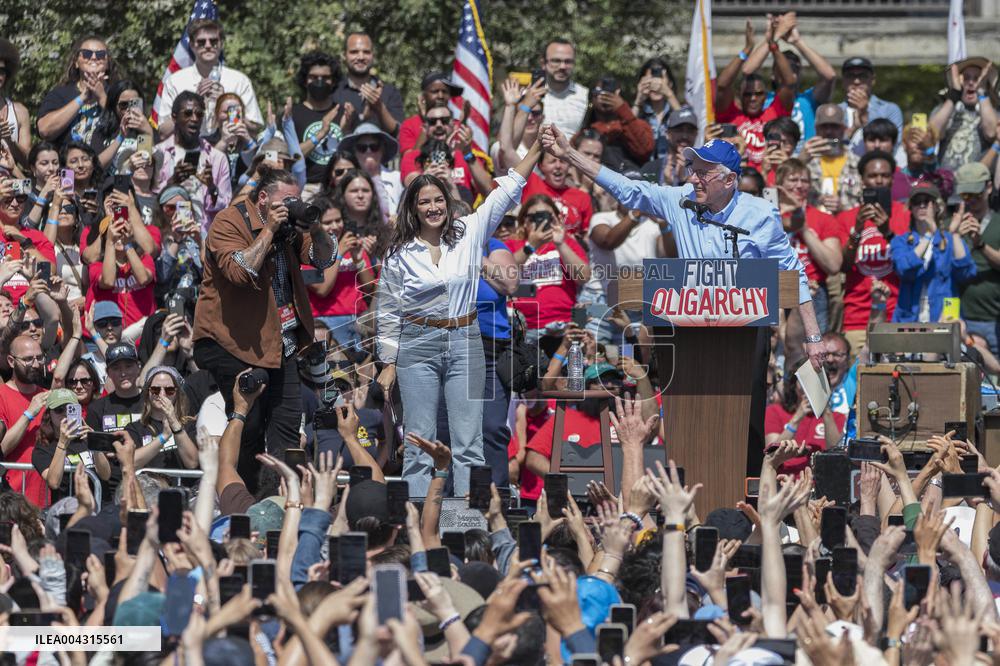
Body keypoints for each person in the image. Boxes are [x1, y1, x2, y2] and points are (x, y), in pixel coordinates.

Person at [541, 126, 826, 368]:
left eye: (703, 173)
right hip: (690, 331)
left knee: (744, 428)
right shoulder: (681, 199)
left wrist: (813, 338)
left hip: (746, 335)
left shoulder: (760, 214)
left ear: (729, 180)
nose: (692, 178)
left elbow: (792, 273)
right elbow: (627, 189)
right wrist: (570, 154)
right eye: (693, 169)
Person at [374, 137, 542, 497]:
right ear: (413, 209)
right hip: (417, 343)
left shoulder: (468, 231)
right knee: (420, 438)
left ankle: (467, 522)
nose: (433, 207)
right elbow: (387, 309)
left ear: (447, 204)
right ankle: (419, 515)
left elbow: (507, 189)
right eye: (425, 202)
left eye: (438, 200)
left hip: (466, 340)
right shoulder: (399, 253)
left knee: (469, 440)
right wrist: (387, 361)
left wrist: (537, 151)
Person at [193, 167, 336, 487]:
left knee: (287, 424)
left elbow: (324, 260)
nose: (293, 206)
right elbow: (240, 272)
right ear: (262, 199)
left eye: (297, 200)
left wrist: (316, 225)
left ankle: (282, 499)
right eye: (287, 201)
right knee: (250, 423)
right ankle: (240, 497)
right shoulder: (229, 222)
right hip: (230, 341)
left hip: (277, 343)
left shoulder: (293, 226)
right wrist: (270, 229)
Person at [835, 150, 912, 354]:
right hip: (856, 319)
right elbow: (842, 265)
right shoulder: (846, 218)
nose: (879, 180)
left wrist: (888, 232)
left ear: (892, 179)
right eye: (872, 176)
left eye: (885, 175)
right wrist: (858, 229)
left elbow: (910, 264)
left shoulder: (906, 215)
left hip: (897, 316)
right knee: (855, 382)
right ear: (862, 180)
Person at [742, 12, 836, 150]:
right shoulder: (762, 99)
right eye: (782, 67)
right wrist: (773, 38)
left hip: (804, 163)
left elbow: (829, 76)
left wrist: (797, 41)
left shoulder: (808, 99)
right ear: (772, 74)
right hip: (771, 159)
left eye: (794, 67)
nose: (789, 71)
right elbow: (747, 71)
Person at [156, 18, 263, 137]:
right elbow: (163, 132)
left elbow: (254, 130)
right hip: (187, 153)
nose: (208, 46)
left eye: (213, 41)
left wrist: (227, 107)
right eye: (201, 42)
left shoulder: (239, 81)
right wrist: (193, 104)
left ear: (221, 44)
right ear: (192, 45)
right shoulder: (175, 81)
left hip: (230, 151)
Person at [714, 16, 795, 169]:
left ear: (765, 96)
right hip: (735, 180)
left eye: (758, 94)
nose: (752, 98)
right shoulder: (731, 115)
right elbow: (722, 85)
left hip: (768, 182)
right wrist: (747, 49)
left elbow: (789, 83)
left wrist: (773, 46)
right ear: (739, 96)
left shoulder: (774, 113)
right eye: (747, 94)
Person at [507, 195, 591, 340]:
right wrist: (531, 246)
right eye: (534, 217)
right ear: (523, 221)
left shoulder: (567, 243)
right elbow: (504, 274)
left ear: (557, 218)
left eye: (547, 216)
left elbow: (583, 277)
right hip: (524, 327)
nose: (541, 221)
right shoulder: (512, 245)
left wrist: (560, 243)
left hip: (564, 324)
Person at [890, 182, 976, 323]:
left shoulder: (949, 239)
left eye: (927, 201)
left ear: (937, 207)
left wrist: (954, 234)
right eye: (917, 202)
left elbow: (966, 273)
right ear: (910, 207)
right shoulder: (901, 241)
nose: (922, 206)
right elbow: (904, 268)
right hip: (910, 317)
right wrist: (929, 235)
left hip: (946, 315)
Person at [775, 159, 841, 334]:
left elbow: (833, 265)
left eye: (804, 181)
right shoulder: (766, 214)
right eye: (793, 180)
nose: (799, 185)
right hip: (773, 286)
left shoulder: (823, 218)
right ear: (780, 183)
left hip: (811, 290)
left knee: (809, 355)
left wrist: (802, 228)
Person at [153, 91, 232, 233]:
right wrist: (171, 184)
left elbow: (226, 207)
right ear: (174, 117)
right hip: (168, 239)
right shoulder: (158, 154)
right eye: (188, 113)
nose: (194, 118)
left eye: (199, 114)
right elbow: (149, 201)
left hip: (203, 238)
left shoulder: (217, 158)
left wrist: (212, 188)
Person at [303, 198, 375, 353]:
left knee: (361, 374)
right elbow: (322, 290)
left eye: (338, 220)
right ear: (316, 225)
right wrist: (339, 253)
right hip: (325, 322)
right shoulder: (308, 252)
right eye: (328, 222)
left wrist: (358, 259)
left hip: (357, 318)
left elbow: (369, 288)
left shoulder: (351, 244)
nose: (335, 226)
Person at [764, 358, 844, 474]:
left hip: (821, 482)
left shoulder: (837, 418)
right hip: (785, 480)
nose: (809, 388)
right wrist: (797, 418)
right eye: (804, 382)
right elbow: (772, 453)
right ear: (794, 384)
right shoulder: (774, 412)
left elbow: (836, 453)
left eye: (815, 383)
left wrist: (826, 410)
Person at [37, 35, 119, 148]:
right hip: (67, 164)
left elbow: (128, 130)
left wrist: (102, 97)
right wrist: (82, 98)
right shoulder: (59, 94)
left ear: (108, 63)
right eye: (86, 54)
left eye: (100, 54)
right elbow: (45, 131)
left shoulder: (119, 93)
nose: (94, 58)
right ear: (76, 62)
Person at [291, 51, 352, 199]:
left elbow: (352, 156)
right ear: (305, 80)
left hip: (339, 187)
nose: (320, 81)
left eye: (325, 78)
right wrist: (320, 134)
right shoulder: (293, 115)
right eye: (313, 77)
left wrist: (346, 131)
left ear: (333, 81)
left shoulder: (345, 112)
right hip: (305, 189)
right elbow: (290, 157)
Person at [401, 108, 491, 206]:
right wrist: (426, 178)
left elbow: (488, 190)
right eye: (432, 122)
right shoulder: (413, 156)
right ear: (424, 127)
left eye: (444, 121)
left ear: (453, 124)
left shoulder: (465, 156)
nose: (439, 125)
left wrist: (468, 154)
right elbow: (409, 187)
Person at [31, 388, 110, 500]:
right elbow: (53, 482)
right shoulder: (44, 447)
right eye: (59, 410)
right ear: (49, 414)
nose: (65, 414)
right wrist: (63, 443)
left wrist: (94, 442)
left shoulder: (86, 437)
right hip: (69, 511)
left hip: (99, 508)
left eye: (71, 409)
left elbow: (105, 474)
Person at [955, 162, 1000, 353]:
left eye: (976, 194)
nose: (971, 200)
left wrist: (980, 244)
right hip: (961, 319)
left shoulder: (998, 222)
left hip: (994, 319)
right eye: (966, 195)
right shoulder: (953, 224)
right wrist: (954, 237)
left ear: (989, 187)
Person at [0, 335, 49, 506]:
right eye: (28, 359)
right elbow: (2, 448)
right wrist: (29, 413)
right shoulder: (2, 395)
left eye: (39, 358)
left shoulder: (47, 395)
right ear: (11, 361)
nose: (36, 364)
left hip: (47, 500)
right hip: (12, 502)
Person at [123, 367, 198, 471]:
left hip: (183, 486)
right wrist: (164, 436)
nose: (162, 395)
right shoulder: (135, 428)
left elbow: (192, 463)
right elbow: (131, 463)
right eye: (155, 390)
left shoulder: (191, 424)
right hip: (150, 486)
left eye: (169, 390)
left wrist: (175, 425)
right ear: (147, 393)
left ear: (177, 394)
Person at [930, 57, 997, 172]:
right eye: (966, 78)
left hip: (977, 186)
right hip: (945, 184)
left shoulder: (993, 113)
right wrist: (954, 94)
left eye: (977, 79)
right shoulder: (944, 109)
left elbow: (992, 133)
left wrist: (981, 91)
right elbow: (932, 133)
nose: (971, 83)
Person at [332, 33, 404, 135]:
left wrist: (379, 107)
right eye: (354, 52)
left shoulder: (389, 92)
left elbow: (398, 133)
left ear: (373, 55)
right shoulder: (333, 91)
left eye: (366, 52)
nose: (361, 57)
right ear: (344, 55)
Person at [580, 79, 653, 171]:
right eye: (600, 92)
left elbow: (644, 150)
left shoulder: (637, 124)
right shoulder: (586, 131)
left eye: (610, 93)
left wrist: (623, 109)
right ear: (592, 97)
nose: (606, 97)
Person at [838, 56, 904, 157]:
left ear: (872, 80)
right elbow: (829, 146)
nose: (856, 81)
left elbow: (895, 145)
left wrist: (865, 113)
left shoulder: (889, 109)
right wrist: (852, 130)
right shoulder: (834, 112)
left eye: (863, 76)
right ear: (843, 81)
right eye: (850, 76)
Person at [804, 103, 862, 215]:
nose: (829, 131)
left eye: (834, 126)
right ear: (816, 129)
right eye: (824, 126)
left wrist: (842, 208)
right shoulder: (806, 162)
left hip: (848, 227)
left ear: (843, 129)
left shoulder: (858, 164)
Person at [520, 152, 593, 238]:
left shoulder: (582, 197)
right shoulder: (532, 183)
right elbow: (507, 151)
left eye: (563, 161)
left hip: (569, 248)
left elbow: (586, 236)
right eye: (552, 161)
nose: (558, 166)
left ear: (569, 166)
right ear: (541, 166)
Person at [90, 79, 154, 171]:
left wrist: (147, 133)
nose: (129, 109)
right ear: (113, 105)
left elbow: (145, 167)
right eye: (124, 105)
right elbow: (95, 168)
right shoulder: (102, 131)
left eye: (135, 104)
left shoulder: (148, 130)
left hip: (134, 185)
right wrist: (120, 138)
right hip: (109, 184)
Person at [339, 123, 403, 215]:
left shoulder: (397, 178)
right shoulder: (346, 180)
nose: (368, 151)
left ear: (382, 150)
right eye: (362, 148)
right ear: (354, 152)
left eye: (374, 147)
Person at [398, 72, 464, 155]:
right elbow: (409, 162)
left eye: (445, 92)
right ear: (423, 96)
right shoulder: (409, 125)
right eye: (435, 91)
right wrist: (427, 123)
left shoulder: (458, 126)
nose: (440, 96)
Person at [85, 342, 143, 433]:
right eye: (116, 368)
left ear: (138, 367)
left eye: (128, 366)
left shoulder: (152, 402)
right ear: (108, 373)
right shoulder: (97, 409)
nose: (123, 373)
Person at [633, 57, 683, 162]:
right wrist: (638, 101)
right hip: (642, 171)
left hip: (672, 169)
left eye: (660, 78)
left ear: (670, 83)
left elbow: (686, 126)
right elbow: (628, 130)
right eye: (650, 79)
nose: (656, 84)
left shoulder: (678, 110)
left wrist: (669, 95)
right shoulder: (638, 112)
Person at [538, 39, 589, 137]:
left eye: (568, 61)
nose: (562, 66)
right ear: (543, 63)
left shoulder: (586, 96)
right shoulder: (530, 96)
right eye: (556, 61)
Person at [0, 38, 31, 167]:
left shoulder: (20, 112)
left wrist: (9, 139)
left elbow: (29, 163)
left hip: (13, 184)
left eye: (2, 71)